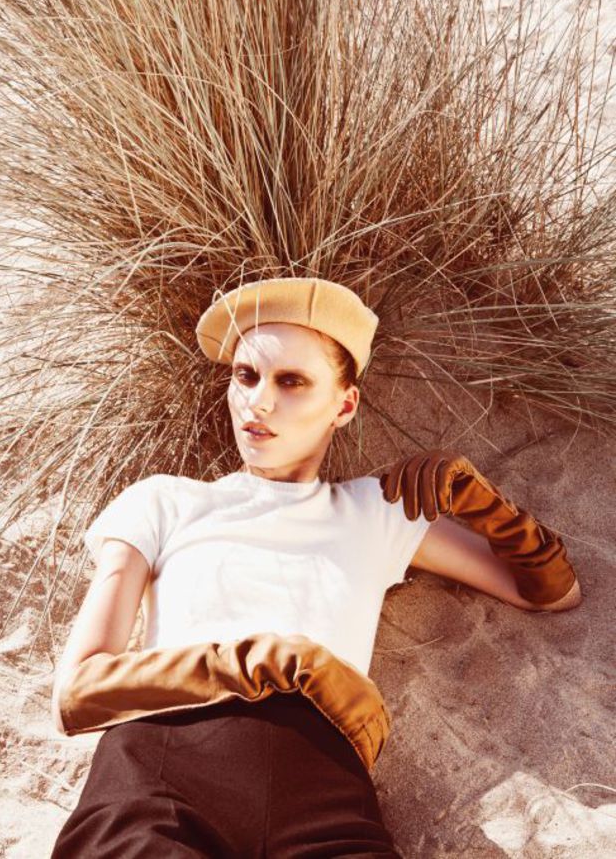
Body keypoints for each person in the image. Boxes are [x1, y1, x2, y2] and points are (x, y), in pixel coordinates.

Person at [49, 276, 581, 858]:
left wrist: (482, 505)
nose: (259, 402)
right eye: (246, 376)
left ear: (344, 404)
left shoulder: (376, 511)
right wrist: (278, 662)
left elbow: (550, 593)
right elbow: (77, 690)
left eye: (292, 381)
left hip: (323, 789)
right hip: (162, 768)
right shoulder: (165, 500)